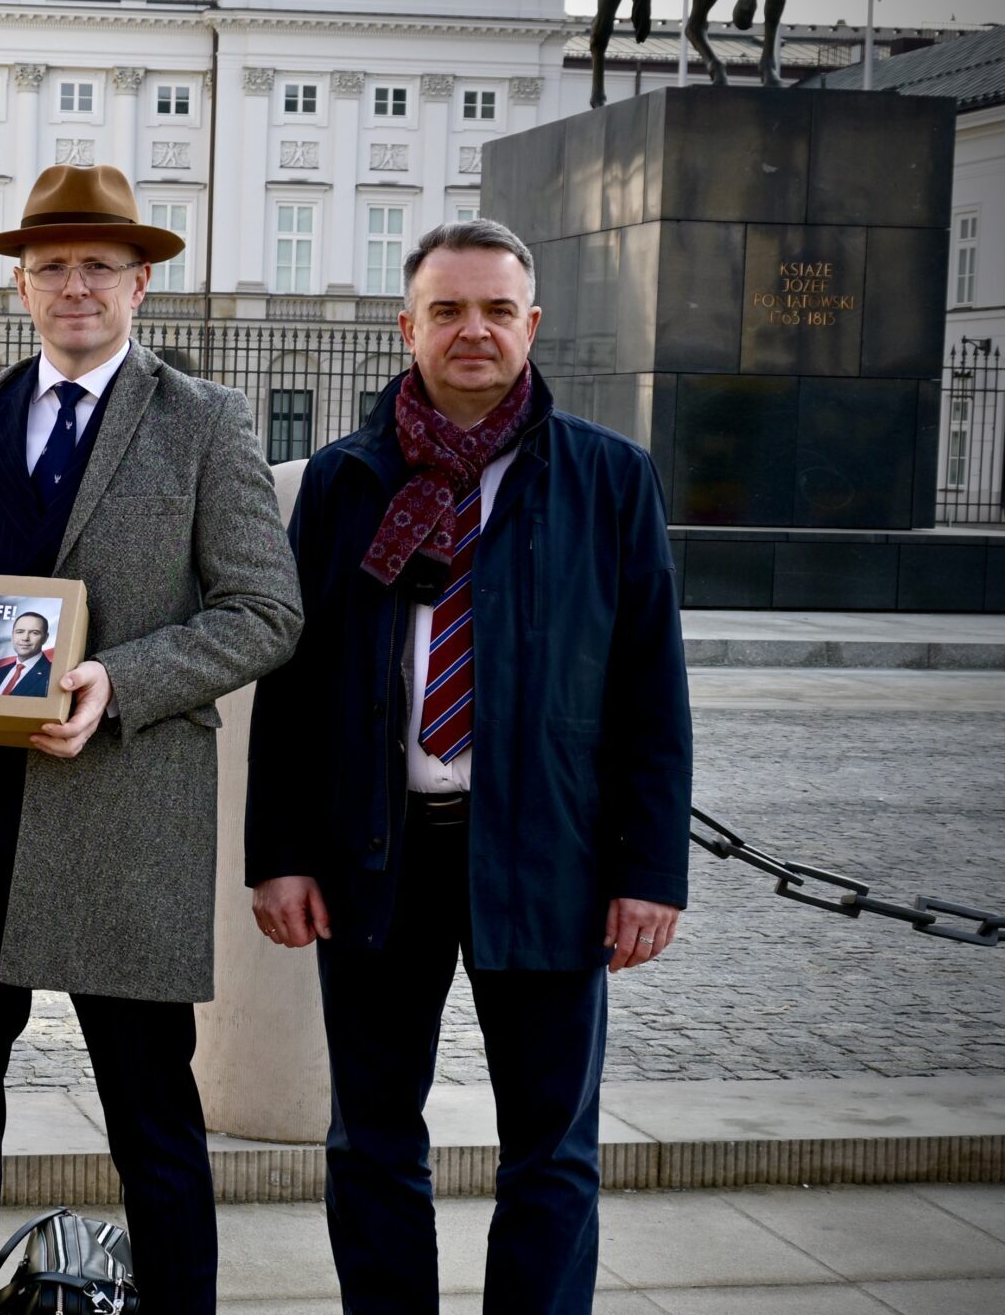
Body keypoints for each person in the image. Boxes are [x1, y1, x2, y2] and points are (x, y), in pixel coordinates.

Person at [0, 165, 302, 1315]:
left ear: (141, 284)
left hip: (119, 821)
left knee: (150, 1121)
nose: (73, 286)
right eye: (50, 266)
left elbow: (264, 611)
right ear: (19, 286)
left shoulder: (204, 423)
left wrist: (116, 681)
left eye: (97, 266)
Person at [244, 219, 691, 1314]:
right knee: (371, 1140)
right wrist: (280, 853)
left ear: (531, 326)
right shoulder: (346, 485)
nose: (472, 330)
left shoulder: (609, 482)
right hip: (372, 855)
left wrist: (651, 870)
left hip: (549, 858)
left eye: (496, 309)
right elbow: (291, 685)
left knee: (552, 1151)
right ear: (408, 328)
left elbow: (649, 690)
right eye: (447, 310)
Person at [0, 611, 54, 697]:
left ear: (45, 638)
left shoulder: (52, 674)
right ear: (12, 635)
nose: (25, 638)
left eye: (34, 633)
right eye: (20, 632)